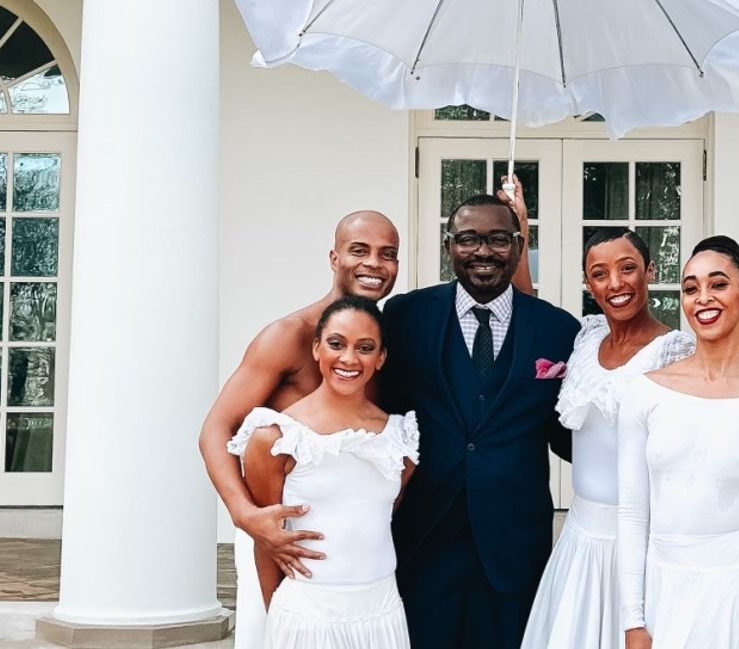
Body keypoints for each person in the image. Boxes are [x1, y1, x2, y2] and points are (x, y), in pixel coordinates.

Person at [201, 188, 530, 649]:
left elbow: (514, 329)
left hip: (362, 562)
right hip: (284, 539)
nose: (374, 264)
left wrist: (521, 245)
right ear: (334, 256)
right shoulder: (288, 335)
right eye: (360, 250)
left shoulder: (390, 333)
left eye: (387, 254)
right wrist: (246, 515)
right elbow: (216, 429)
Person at [522, 228, 739, 649]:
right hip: (581, 540)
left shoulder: (675, 351)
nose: (616, 284)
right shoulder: (584, 339)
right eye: (599, 274)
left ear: (650, 272)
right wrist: (522, 223)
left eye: (628, 269)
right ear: (589, 284)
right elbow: (528, 309)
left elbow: (715, 429)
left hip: (645, 540)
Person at [379, 194, 577, 649]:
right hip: (423, 534)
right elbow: (375, 405)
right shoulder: (406, 316)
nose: (483, 252)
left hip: (514, 540)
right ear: (450, 246)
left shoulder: (558, 330)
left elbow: (570, 435)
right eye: (468, 239)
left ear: (519, 246)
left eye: (497, 240)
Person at [618, 236, 739, 649]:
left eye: (718, 284)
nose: (703, 298)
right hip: (665, 591)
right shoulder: (644, 393)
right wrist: (632, 621)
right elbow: (633, 514)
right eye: (691, 288)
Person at [228, 297, 419, 648]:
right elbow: (266, 541)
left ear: (381, 358)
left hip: (382, 610)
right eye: (336, 344)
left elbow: (383, 514)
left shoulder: (400, 436)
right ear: (316, 348)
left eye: (365, 348)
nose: (349, 359)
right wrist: (281, 621)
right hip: (307, 616)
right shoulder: (277, 436)